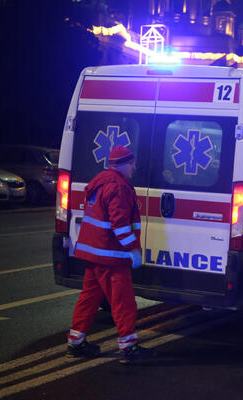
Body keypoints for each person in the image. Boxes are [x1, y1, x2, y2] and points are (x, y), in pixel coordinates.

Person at [67, 145, 152, 364]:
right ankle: (129, 347)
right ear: (124, 164)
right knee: (123, 301)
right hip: (109, 255)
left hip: (93, 252)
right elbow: (120, 225)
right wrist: (132, 249)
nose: (134, 168)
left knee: (90, 297)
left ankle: (76, 342)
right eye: (132, 164)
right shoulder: (119, 187)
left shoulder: (100, 181)